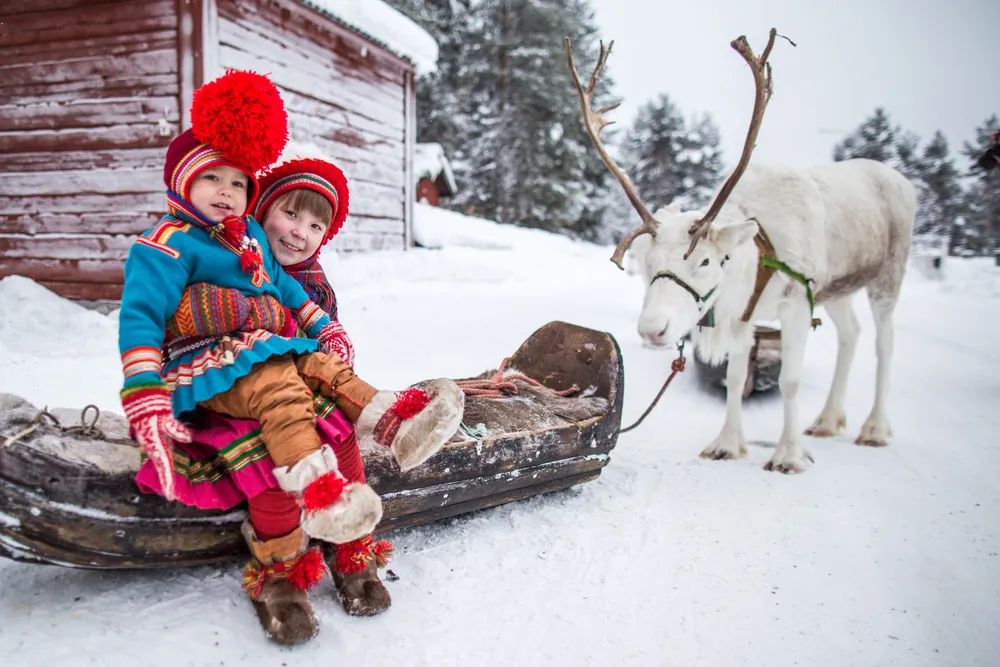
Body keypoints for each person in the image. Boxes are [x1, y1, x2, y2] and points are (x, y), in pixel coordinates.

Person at [119, 69, 464, 643]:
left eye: (236, 182)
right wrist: (146, 388)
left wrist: (316, 327)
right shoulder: (178, 242)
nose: (227, 192)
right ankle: (282, 575)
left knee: (336, 418)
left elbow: (296, 302)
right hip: (222, 384)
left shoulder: (257, 249)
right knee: (271, 464)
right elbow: (147, 317)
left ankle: (370, 496)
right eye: (213, 179)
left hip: (287, 384)